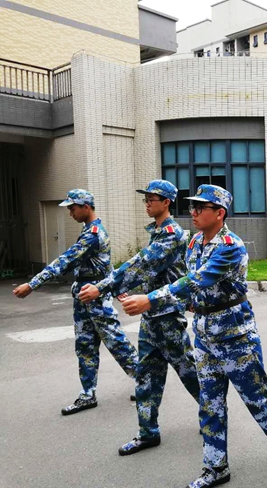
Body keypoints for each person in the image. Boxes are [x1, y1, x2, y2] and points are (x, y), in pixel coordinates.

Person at [120, 185, 267, 488]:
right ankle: (215, 467)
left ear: (219, 213)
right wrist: (145, 295)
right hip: (205, 336)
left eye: (200, 207)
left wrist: (149, 300)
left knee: (256, 398)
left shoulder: (231, 246)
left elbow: (196, 279)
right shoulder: (194, 243)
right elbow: (188, 289)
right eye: (192, 206)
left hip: (235, 337)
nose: (192, 212)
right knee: (210, 403)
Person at [78, 180, 201, 455]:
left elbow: (141, 263)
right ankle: (148, 433)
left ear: (166, 202)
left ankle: (213, 415)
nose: (146, 204)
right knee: (146, 377)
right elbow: (148, 273)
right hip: (151, 317)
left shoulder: (171, 234)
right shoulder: (157, 231)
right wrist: (125, 290)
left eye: (151, 199)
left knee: (188, 372)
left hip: (168, 317)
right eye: (145, 199)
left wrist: (102, 287)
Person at [13, 189, 138, 415]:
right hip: (83, 297)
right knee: (85, 346)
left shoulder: (93, 235)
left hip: (96, 298)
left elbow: (65, 261)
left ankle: (146, 381)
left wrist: (32, 284)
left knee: (116, 343)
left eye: (72, 208)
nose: (70, 213)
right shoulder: (89, 230)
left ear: (86, 207)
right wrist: (118, 288)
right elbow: (105, 263)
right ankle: (88, 394)